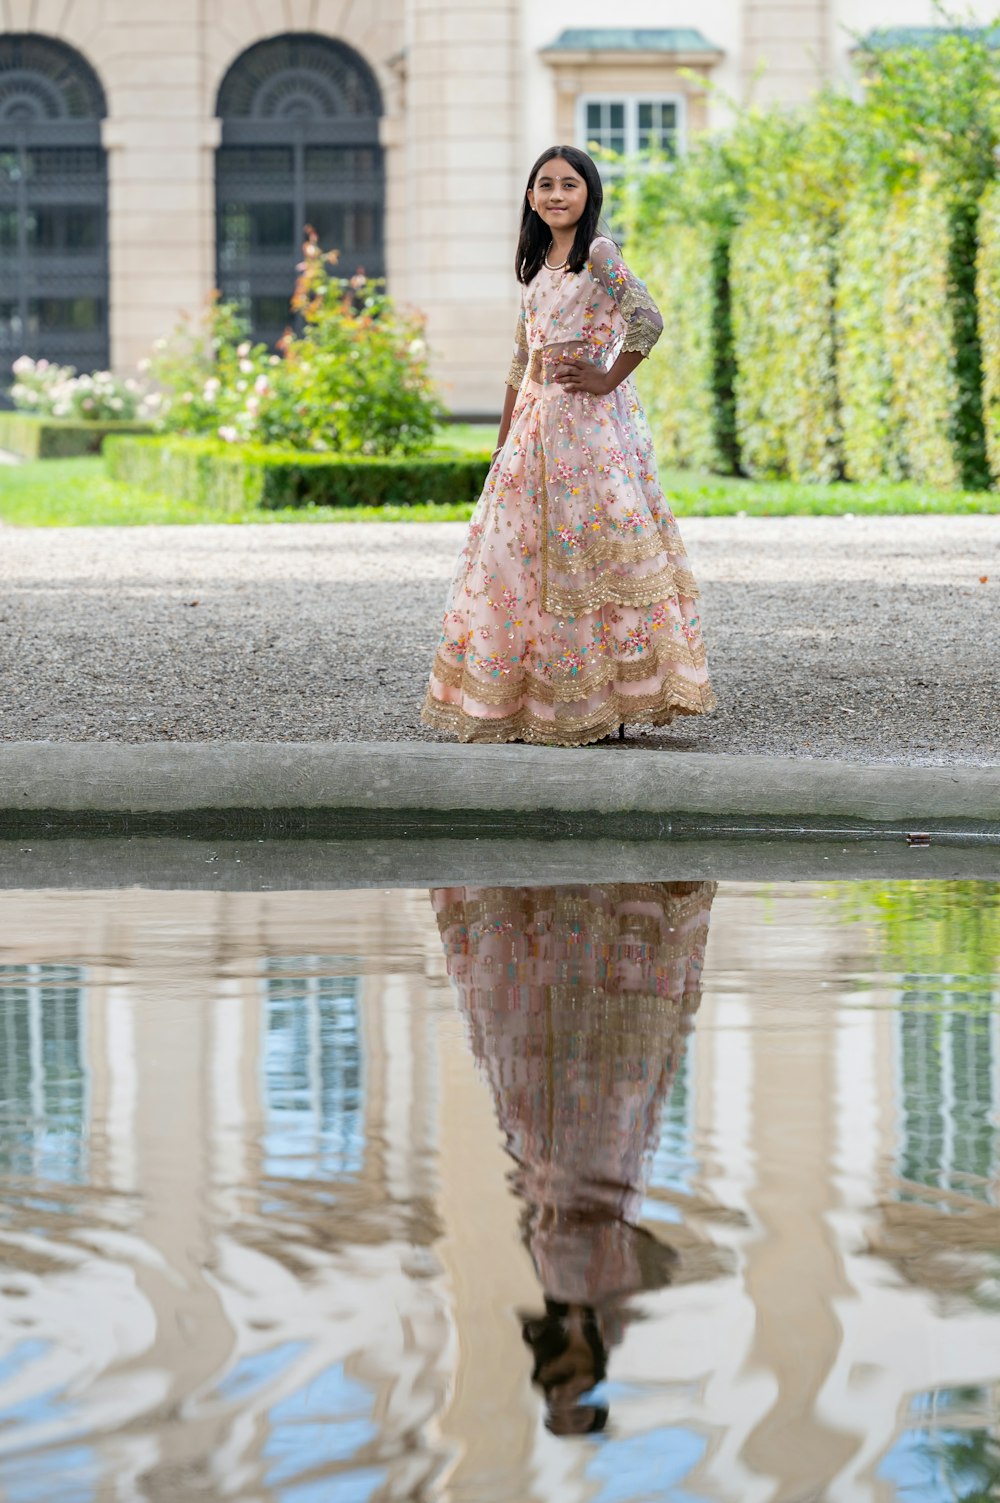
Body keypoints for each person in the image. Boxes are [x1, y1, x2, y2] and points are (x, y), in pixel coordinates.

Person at [421, 145, 716, 746]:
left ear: (590, 193)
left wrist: (608, 376)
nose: (556, 195)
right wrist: (505, 440)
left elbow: (648, 318)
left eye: (569, 185)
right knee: (517, 554)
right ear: (530, 196)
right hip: (535, 426)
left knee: (592, 551)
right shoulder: (534, 263)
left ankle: (606, 699)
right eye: (545, 185)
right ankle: (530, 700)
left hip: (587, 426)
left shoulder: (599, 254)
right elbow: (520, 359)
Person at [431, 880, 722, 1434]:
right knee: (604, 1062)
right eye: (577, 1388)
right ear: (592, 1375)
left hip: (560, 1149)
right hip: (598, 1158)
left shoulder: (564, 1291)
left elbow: (629, 1249)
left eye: (560, 1387)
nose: (568, 1379)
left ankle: (571, 892)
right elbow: (662, 1259)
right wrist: (613, 1300)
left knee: (554, 1042)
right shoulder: (608, 1306)